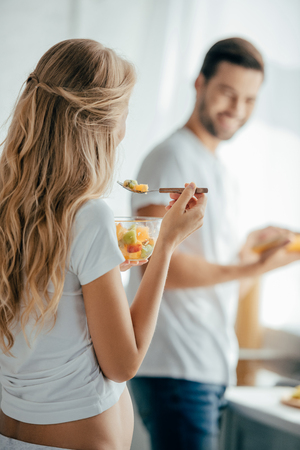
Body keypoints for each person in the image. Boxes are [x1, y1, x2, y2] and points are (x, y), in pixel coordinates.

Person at [0, 39, 207, 450]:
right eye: (125, 113)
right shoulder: (88, 216)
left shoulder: (9, 203)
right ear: (99, 124)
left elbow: (52, 306)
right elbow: (123, 363)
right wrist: (165, 244)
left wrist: (107, 267)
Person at [128, 37, 300, 450]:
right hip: (175, 366)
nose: (236, 110)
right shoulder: (171, 157)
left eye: (248, 99)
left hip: (204, 367)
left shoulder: (220, 171)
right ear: (200, 83)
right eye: (227, 92)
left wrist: (250, 252)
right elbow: (151, 263)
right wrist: (254, 268)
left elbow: (225, 283)